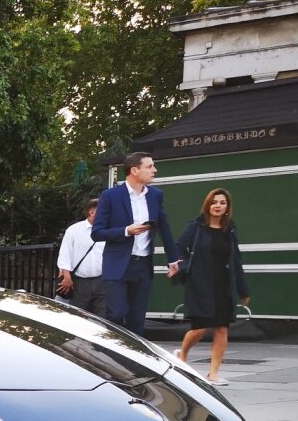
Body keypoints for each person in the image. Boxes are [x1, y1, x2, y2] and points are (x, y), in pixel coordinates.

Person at [91, 152, 180, 335]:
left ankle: (135, 360)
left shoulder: (156, 195)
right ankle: (112, 356)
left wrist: (173, 260)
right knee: (116, 314)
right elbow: (97, 233)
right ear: (134, 170)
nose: (154, 170)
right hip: (118, 265)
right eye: (149, 166)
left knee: (137, 319)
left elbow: (164, 227)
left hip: (143, 265)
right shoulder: (110, 196)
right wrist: (126, 231)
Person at [174, 188, 250, 386]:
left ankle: (213, 374)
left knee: (222, 328)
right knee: (199, 328)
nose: (218, 206)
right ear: (208, 205)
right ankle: (182, 355)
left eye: (222, 202)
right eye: (214, 202)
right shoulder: (196, 227)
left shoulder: (230, 229)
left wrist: (243, 289)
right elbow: (179, 247)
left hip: (224, 285)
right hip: (199, 283)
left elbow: (237, 259)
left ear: (227, 207)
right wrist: (181, 266)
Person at [55, 198, 107, 317]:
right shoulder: (74, 230)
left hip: (102, 280)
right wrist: (67, 277)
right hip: (80, 281)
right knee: (78, 316)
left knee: (103, 316)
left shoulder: (106, 230)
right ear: (92, 212)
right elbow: (65, 254)